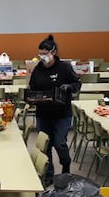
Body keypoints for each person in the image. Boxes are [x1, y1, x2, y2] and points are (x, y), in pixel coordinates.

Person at [27, 34, 81, 186]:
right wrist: (31, 97)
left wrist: (69, 87)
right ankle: (48, 175)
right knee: (46, 146)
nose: (42, 57)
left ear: (54, 53)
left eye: (45, 53)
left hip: (61, 113)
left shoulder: (64, 67)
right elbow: (32, 87)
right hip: (43, 113)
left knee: (59, 142)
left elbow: (76, 84)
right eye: (40, 54)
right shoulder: (38, 69)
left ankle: (66, 164)